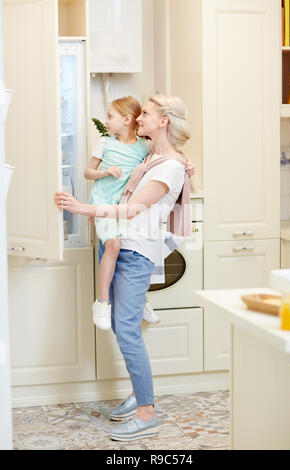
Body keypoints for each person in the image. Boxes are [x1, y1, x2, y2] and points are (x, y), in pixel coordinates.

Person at [54, 93, 194, 442]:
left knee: (127, 331)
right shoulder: (155, 155)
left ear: (163, 121)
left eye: (145, 113)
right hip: (125, 244)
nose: (138, 118)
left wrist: (80, 208)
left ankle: (147, 413)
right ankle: (138, 396)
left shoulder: (170, 166)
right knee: (122, 326)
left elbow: (133, 209)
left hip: (135, 251)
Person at [85, 96, 160, 329]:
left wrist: (187, 164)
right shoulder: (105, 144)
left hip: (127, 206)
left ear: (127, 120)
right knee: (114, 246)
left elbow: (166, 156)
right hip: (104, 203)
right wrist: (105, 172)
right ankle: (102, 301)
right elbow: (88, 172)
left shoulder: (144, 146)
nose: (106, 121)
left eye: (110, 116)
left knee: (137, 252)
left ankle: (141, 299)